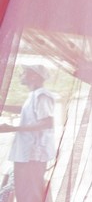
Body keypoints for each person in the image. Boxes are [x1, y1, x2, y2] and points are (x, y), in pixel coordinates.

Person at [0, 65, 55, 202]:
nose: (21, 75)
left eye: (24, 72)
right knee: (23, 193)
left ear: (34, 76)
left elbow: (47, 123)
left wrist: (12, 128)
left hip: (33, 155)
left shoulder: (42, 95)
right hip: (25, 155)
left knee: (31, 195)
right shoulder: (34, 95)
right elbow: (25, 111)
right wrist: (4, 107)